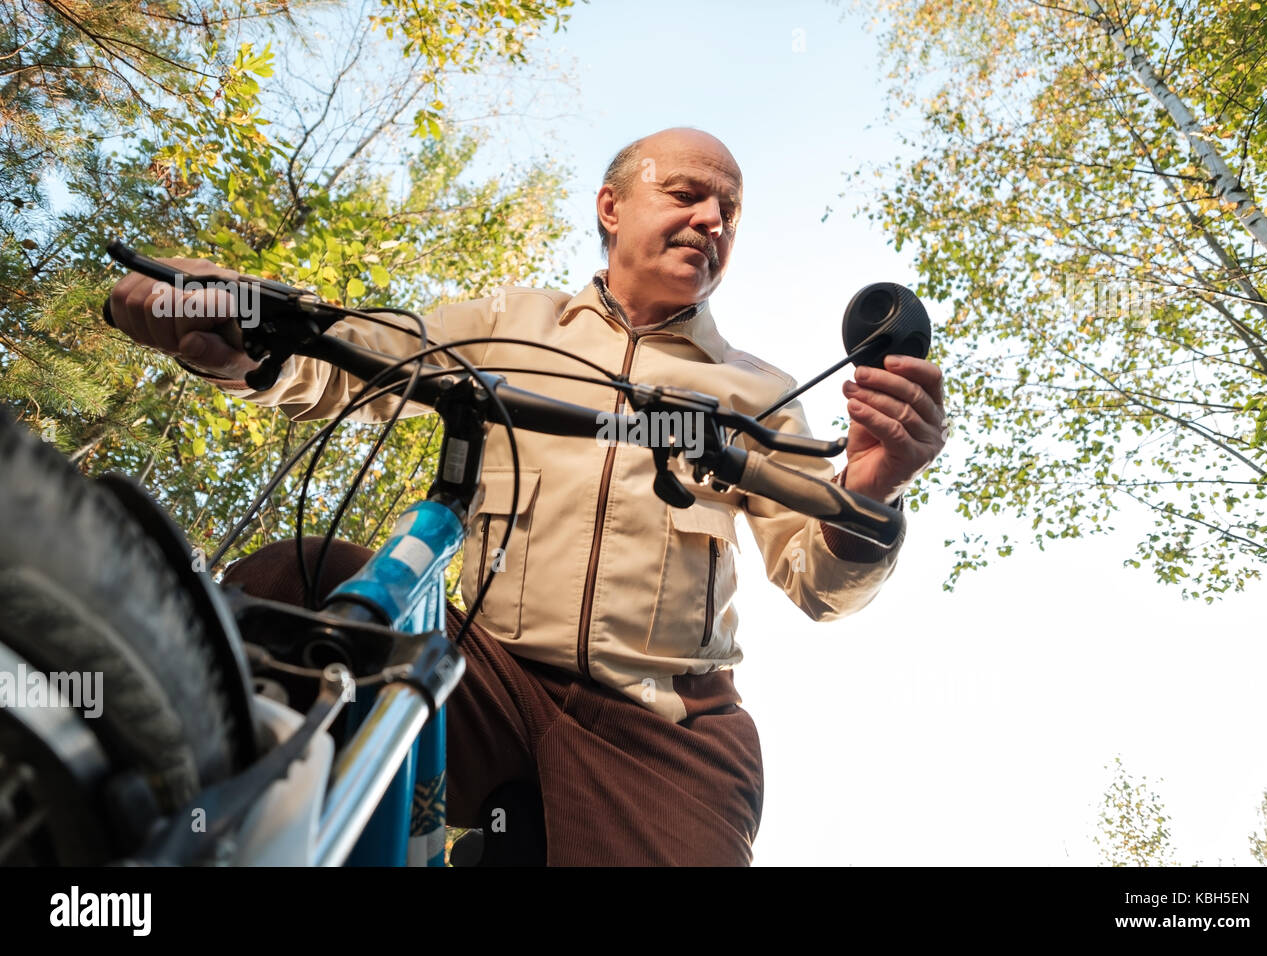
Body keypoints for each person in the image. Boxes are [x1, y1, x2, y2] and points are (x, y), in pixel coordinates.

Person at [107, 127, 947, 866]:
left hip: (664, 731)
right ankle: (134, 810)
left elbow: (818, 583)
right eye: (686, 194)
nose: (712, 221)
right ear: (611, 208)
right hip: (484, 675)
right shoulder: (506, 321)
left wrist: (872, 490)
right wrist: (216, 307)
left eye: (728, 210)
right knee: (301, 579)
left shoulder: (758, 390)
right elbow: (348, 351)